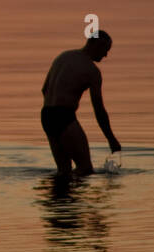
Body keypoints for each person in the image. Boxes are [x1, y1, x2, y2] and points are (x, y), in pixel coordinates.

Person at [40, 31, 121, 176]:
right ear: (96, 45)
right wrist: (111, 139)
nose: (105, 55)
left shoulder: (63, 57)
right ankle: (77, 198)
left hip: (46, 115)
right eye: (105, 50)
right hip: (63, 116)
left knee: (63, 170)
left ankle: (61, 198)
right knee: (85, 169)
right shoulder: (92, 71)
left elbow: (44, 89)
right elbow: (99, 109)